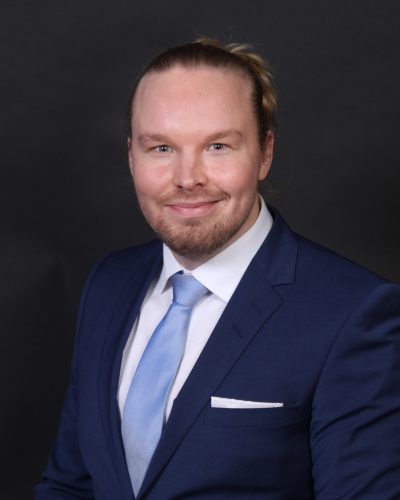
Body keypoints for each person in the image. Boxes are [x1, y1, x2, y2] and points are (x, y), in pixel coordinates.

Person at [35, 38, 400, 499]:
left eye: (218, 146)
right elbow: (69, 485)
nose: (188, 178)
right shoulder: (109, 283)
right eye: (161, 148)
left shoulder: (355, 314)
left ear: (264, 153)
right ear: (131, 156)